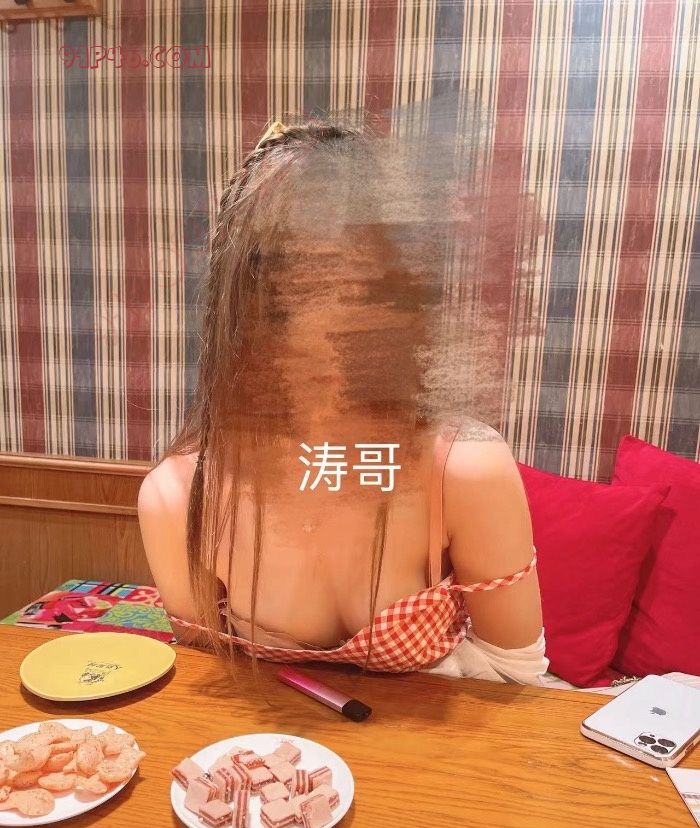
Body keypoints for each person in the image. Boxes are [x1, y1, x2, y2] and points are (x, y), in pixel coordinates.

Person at [137, 119, 549, 685]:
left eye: (370, 286)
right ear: (240, 310)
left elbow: (514, 676)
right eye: (296, 287)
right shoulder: (179, 495)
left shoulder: (463, 469)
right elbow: (208, 674)